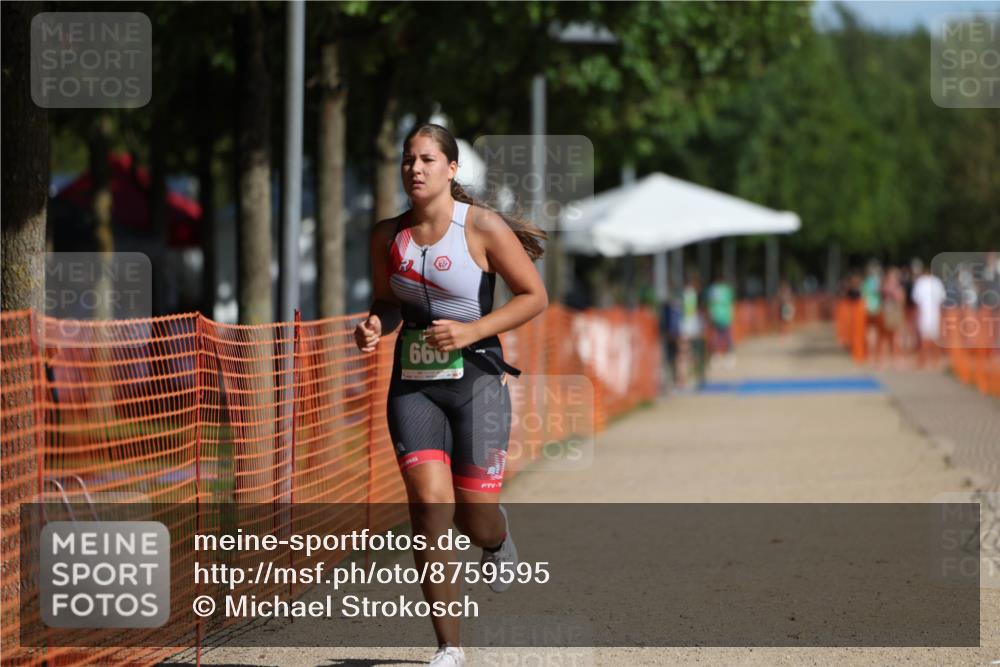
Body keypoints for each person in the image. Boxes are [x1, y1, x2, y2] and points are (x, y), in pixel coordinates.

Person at [354, 123, 548, 667]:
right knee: (428, 508)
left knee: (472, 518)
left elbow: (533, 296)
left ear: (451, 169)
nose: (415, 169)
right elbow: (387, 301)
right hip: (413, 386)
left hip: (477, 381)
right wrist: (375, 324)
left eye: (427, 159)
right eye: (408, 160)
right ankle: (449, 646)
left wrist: (471, 331)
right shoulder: (386, 235)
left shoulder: (480, 227)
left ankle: (496, 538)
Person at [911, 260, 946, 367]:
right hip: (935, 313)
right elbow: (942, 299)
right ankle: (935, 360)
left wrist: (916, 315)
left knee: (924, 337)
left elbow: (916, 300)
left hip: (924, 313)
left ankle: (923, 359)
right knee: (935, 337)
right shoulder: (937, 282)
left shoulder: (920, 282)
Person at [706, 272, 736, 367]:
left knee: (718, 337)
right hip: (724, 317)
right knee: (725, 337)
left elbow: (710, 303)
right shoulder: (726, 289)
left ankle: (718, 356)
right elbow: (731, 303)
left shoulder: (713, 289)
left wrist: (710, 314)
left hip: (717, 316)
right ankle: (727, 356)